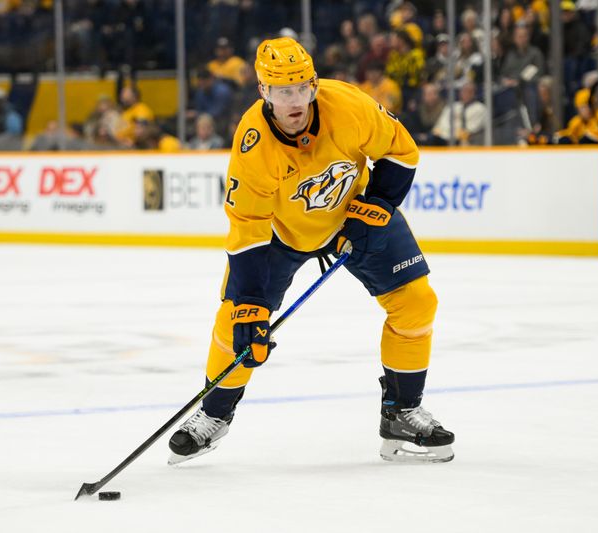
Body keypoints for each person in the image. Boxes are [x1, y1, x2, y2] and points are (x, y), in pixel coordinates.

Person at [168, 37, 454, 465]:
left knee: (417, 303)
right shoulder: (253, 144)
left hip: (352, 213)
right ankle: (213, 414)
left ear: (315, 84)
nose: (296, 100)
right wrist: (249, 304)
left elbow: (402, 153)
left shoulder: (349, 106)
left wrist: (372, 209)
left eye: (303, 87)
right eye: (283, 91)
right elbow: (247, 227)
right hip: (282, 235)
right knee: (235, 326)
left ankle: (401, 412)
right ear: (263, 91)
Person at [431, 80, 487, 146]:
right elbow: (441, 124)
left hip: (468, 141)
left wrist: (456, 134)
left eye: (469, 91)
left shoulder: (480, 108)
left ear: (474, 93)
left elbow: (472, 129)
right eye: (463, 91)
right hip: (445, 138)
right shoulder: (452, 106)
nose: (465, 93)